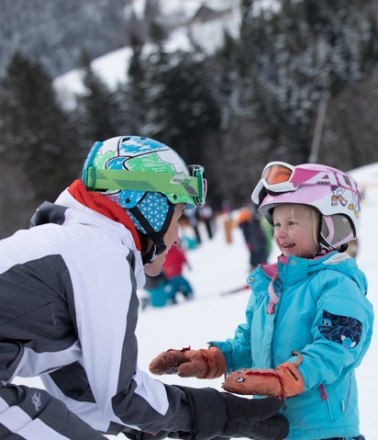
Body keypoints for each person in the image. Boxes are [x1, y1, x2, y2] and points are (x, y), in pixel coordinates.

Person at [0, 136, 287, 439]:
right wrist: (216, 413)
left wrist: (167, 423)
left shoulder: (74, 249)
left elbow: (81, 398)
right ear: (149, 207)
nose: (177, 238)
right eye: (177, 217)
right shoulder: (99, 254)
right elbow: (121, 398)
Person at [149, 162, 373, 440]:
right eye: (277, 224)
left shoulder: (336, 285)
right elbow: (250, 344)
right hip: (272, 428)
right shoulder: (272, 286)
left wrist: (286, 379)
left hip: (323, 432)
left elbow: (335, 349)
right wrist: (213, 359)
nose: (280, 232)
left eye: (292, 223)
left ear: (332, 225)